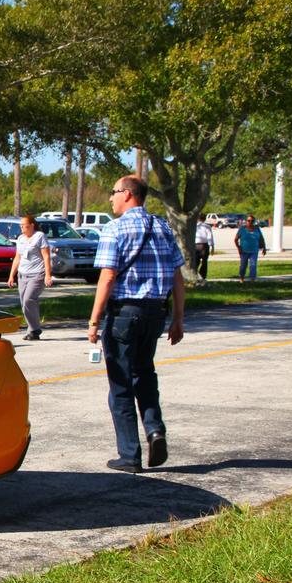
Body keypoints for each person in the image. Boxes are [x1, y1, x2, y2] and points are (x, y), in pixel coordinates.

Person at [87, 175, 185, 474]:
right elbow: (178, 278)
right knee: (145, 374)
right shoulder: (162, 228)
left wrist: (93, 320)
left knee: (120, 384)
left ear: (128, 195)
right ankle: (155, 430)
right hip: (156, 312)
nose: (110, 198)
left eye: (114, 192)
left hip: (124, 314)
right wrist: (178, 319)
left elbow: (107, 277)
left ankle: (130, 455)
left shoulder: (115, 229)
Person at [6, 214, 53, 341]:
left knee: (28, 300)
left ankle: (34, 328)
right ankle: (32, 330)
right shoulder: (20, 238)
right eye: (20, 225)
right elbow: (17, 258)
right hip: (22, 275)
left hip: (37, 274)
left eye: (24, 225)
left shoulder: (40, 236)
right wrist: (11, 275)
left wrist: (48, 275)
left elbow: (46, 256)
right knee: (24, 304)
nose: (22, 228)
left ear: (32, 225)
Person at [234, 216, 264, 282]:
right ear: (246, 221)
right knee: (243, 266)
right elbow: (236, 239)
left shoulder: (257, 229)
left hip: (254, 250)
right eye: (248, 220)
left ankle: (252, 279)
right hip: (244, 251)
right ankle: (242, 278)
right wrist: (239, 248)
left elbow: (261, 238)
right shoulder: (242, 229)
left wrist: (264, 248)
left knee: (253, 265)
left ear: (254, 221)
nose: (250, 222)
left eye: (252, 221)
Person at [193, 214, 214, 280]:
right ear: (204, 219)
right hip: (204, 245)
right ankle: (202, 275)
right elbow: (209, 237)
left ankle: (195, 274)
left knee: (196, 261)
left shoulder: (194, 226)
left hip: (195, 245)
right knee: (204, 261)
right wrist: (212, 246)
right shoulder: (207, 226)